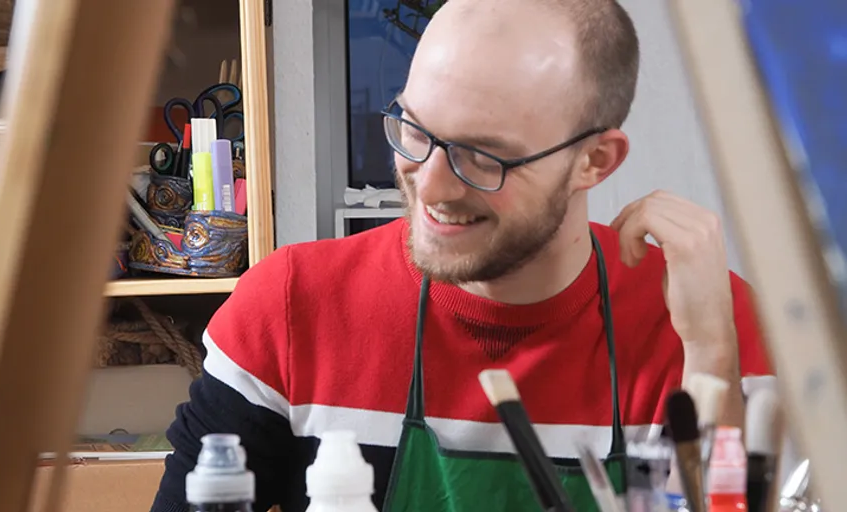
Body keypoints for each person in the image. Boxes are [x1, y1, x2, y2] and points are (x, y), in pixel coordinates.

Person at [151, 0, 772, 511]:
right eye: (416, 130)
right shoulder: (292, 307)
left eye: (485, 156)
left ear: (595, 161)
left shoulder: (707, 324)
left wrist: (712, 357)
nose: (433, 185)